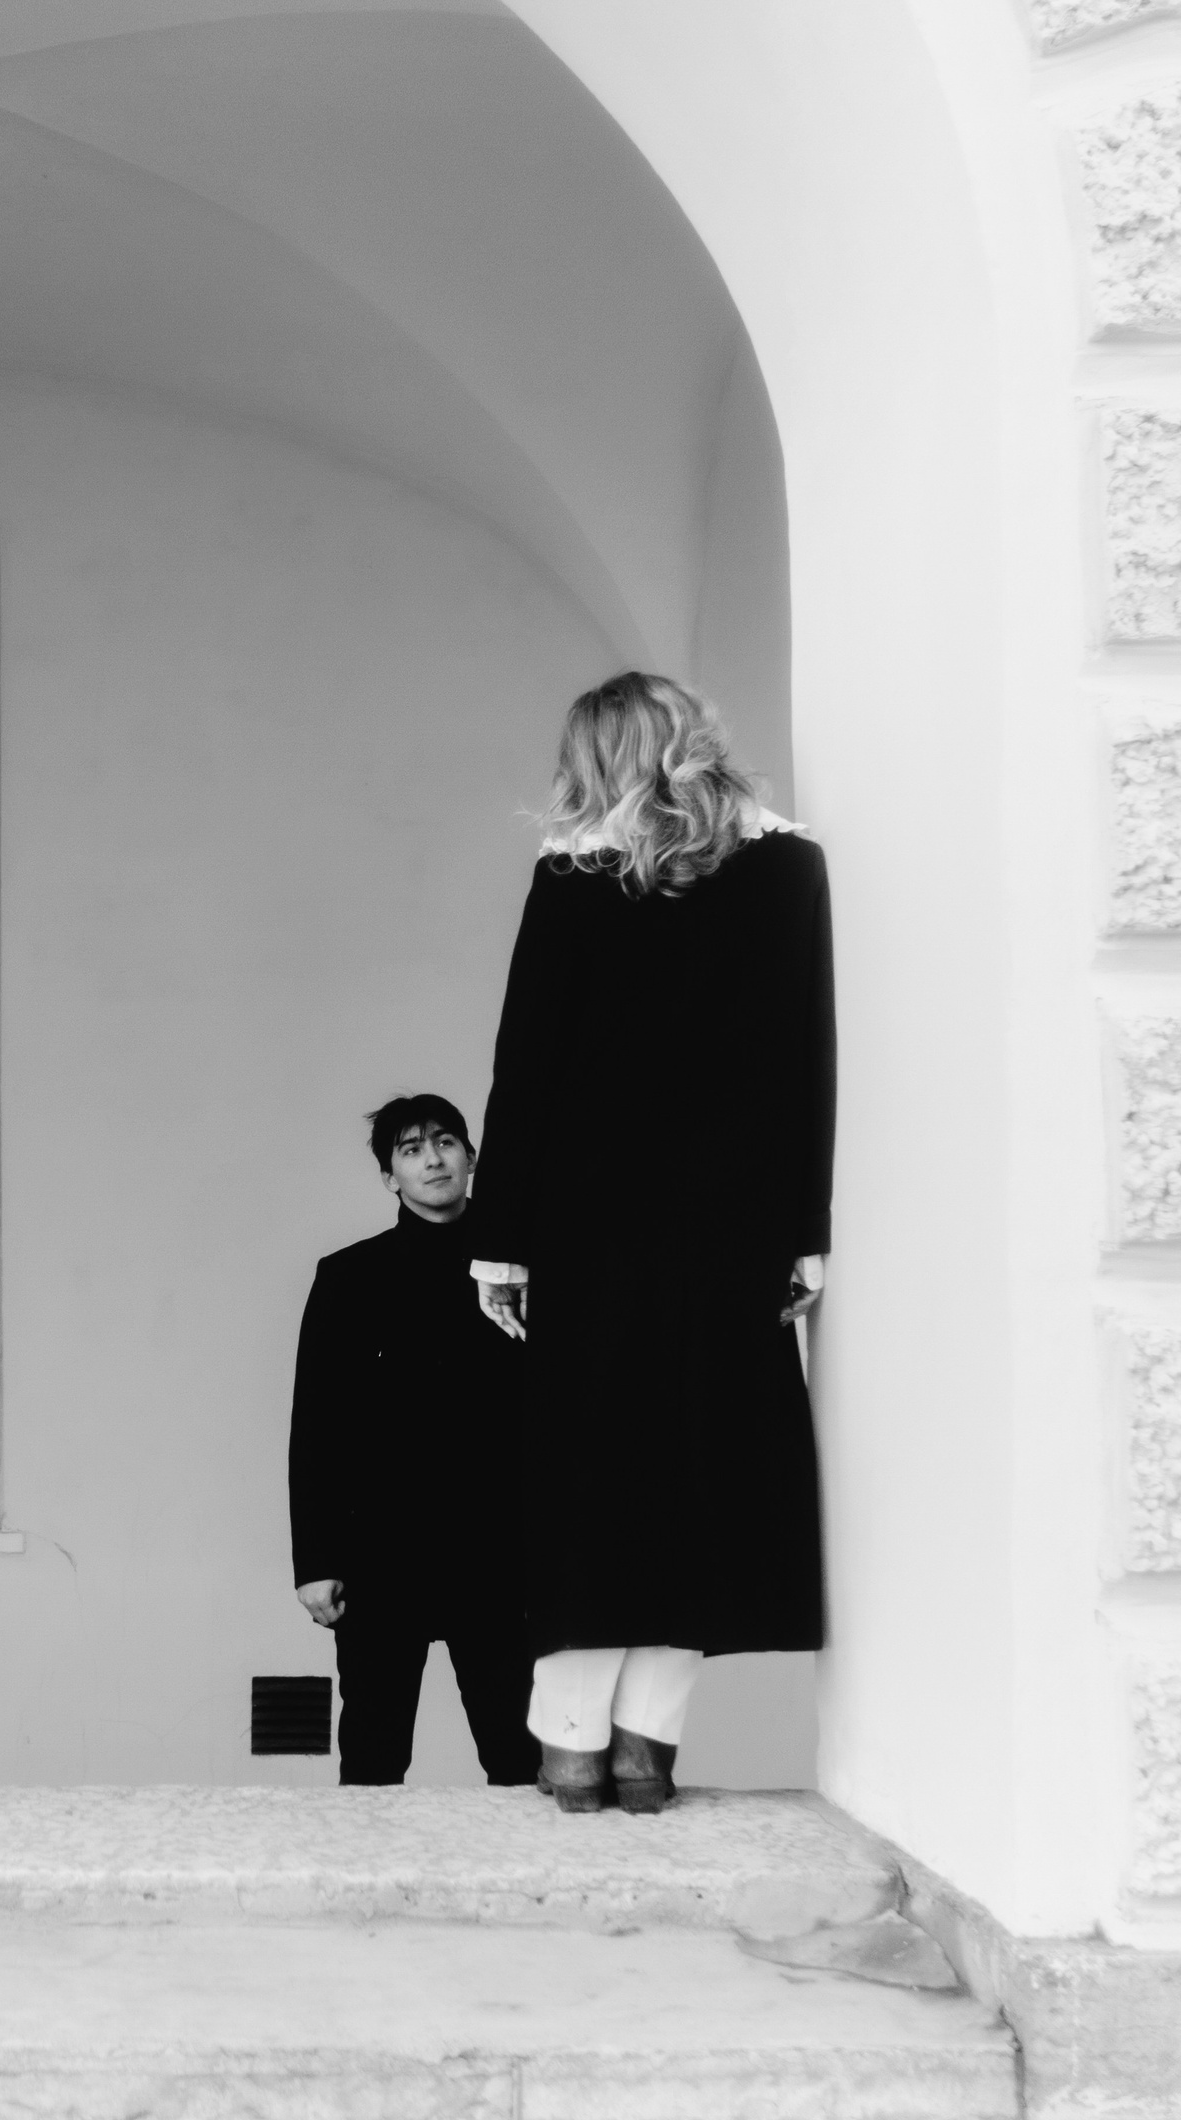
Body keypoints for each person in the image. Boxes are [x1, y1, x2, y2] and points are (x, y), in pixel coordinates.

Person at [468, 673, 834, 1815]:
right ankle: (644, 1752)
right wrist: (803, 1232)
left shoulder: (573, 879)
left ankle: (573, 1748)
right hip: (731, 1226)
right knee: (701, 1474)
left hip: (589, 1223)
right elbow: (807, 1056)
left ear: (595, 759)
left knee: (592, 1477)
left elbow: (527, 1067)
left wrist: (499, 1243)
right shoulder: (791, 867)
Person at [288, 1095, 538, 1787]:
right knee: (373, 1758)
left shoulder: (521, 1271)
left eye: (445, 1141)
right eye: (411, 1148)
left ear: (471, 1157)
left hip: (498, 1553)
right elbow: (317, 1426)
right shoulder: (349, 1276)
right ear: (389, 1176)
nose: (432, 1159)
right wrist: (315, 1560)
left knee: (520, 1760)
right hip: (380, 1554)